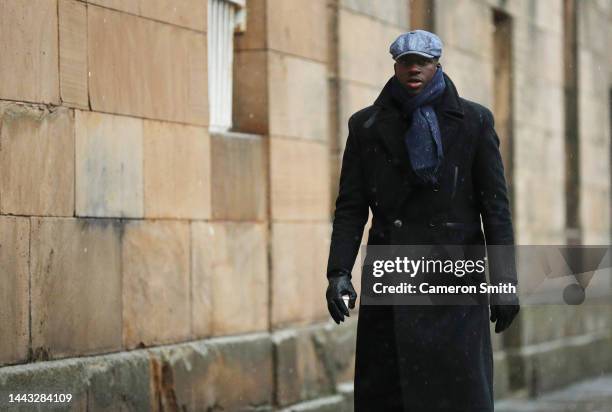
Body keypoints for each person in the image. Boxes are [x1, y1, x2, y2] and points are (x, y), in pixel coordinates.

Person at [325, 30, 520, 411]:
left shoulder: (474, 121)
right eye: (406, 62)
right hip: (392, 272)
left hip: (455, 277)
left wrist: (505, 281)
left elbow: (495, 209)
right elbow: (350, 207)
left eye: (423, 62)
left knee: (457, 393)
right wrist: (338, 272)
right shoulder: (364, 126)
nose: (414, 69)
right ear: (396, 66)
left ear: (437, 65)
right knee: (391, 395)